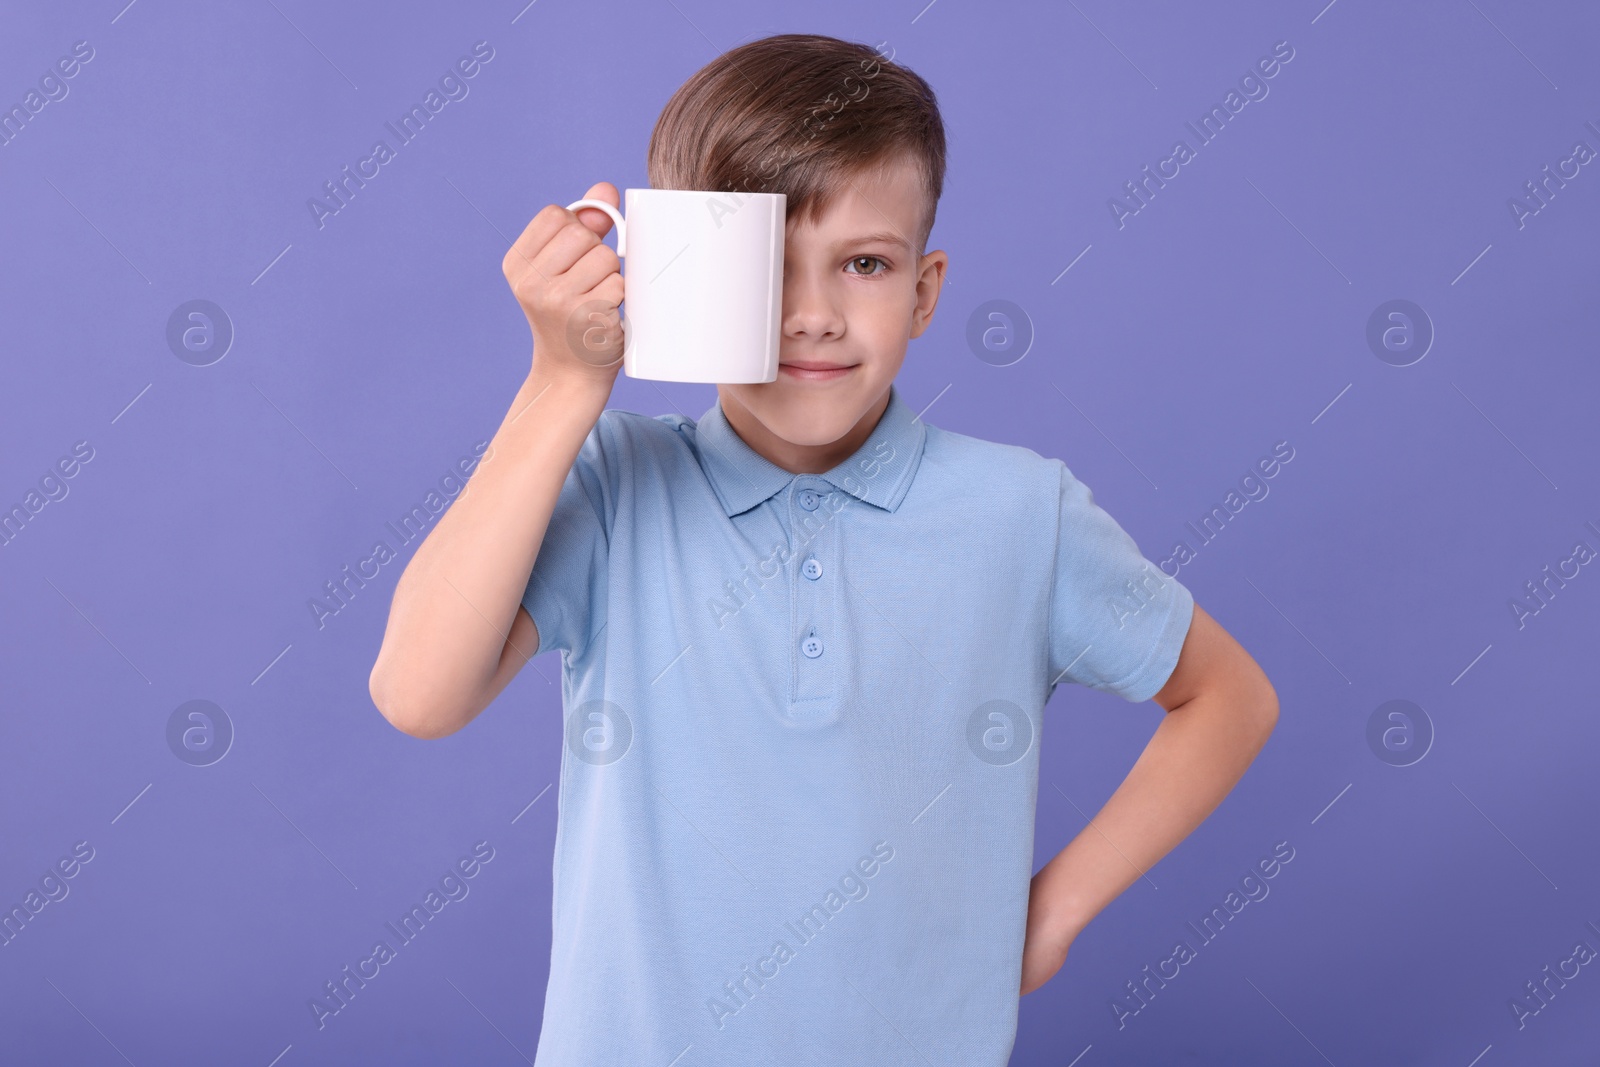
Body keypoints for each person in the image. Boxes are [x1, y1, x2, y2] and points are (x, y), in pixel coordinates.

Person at [369, 32, 1277, 1066]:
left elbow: (1228, 696)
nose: (811, 315)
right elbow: (418, 692)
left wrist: (1055, 910)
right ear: (670, 274)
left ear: (926, 290)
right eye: (766, 265)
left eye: (863, 263)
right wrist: (562, 382)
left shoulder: (1022, 511)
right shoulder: (611, 482)